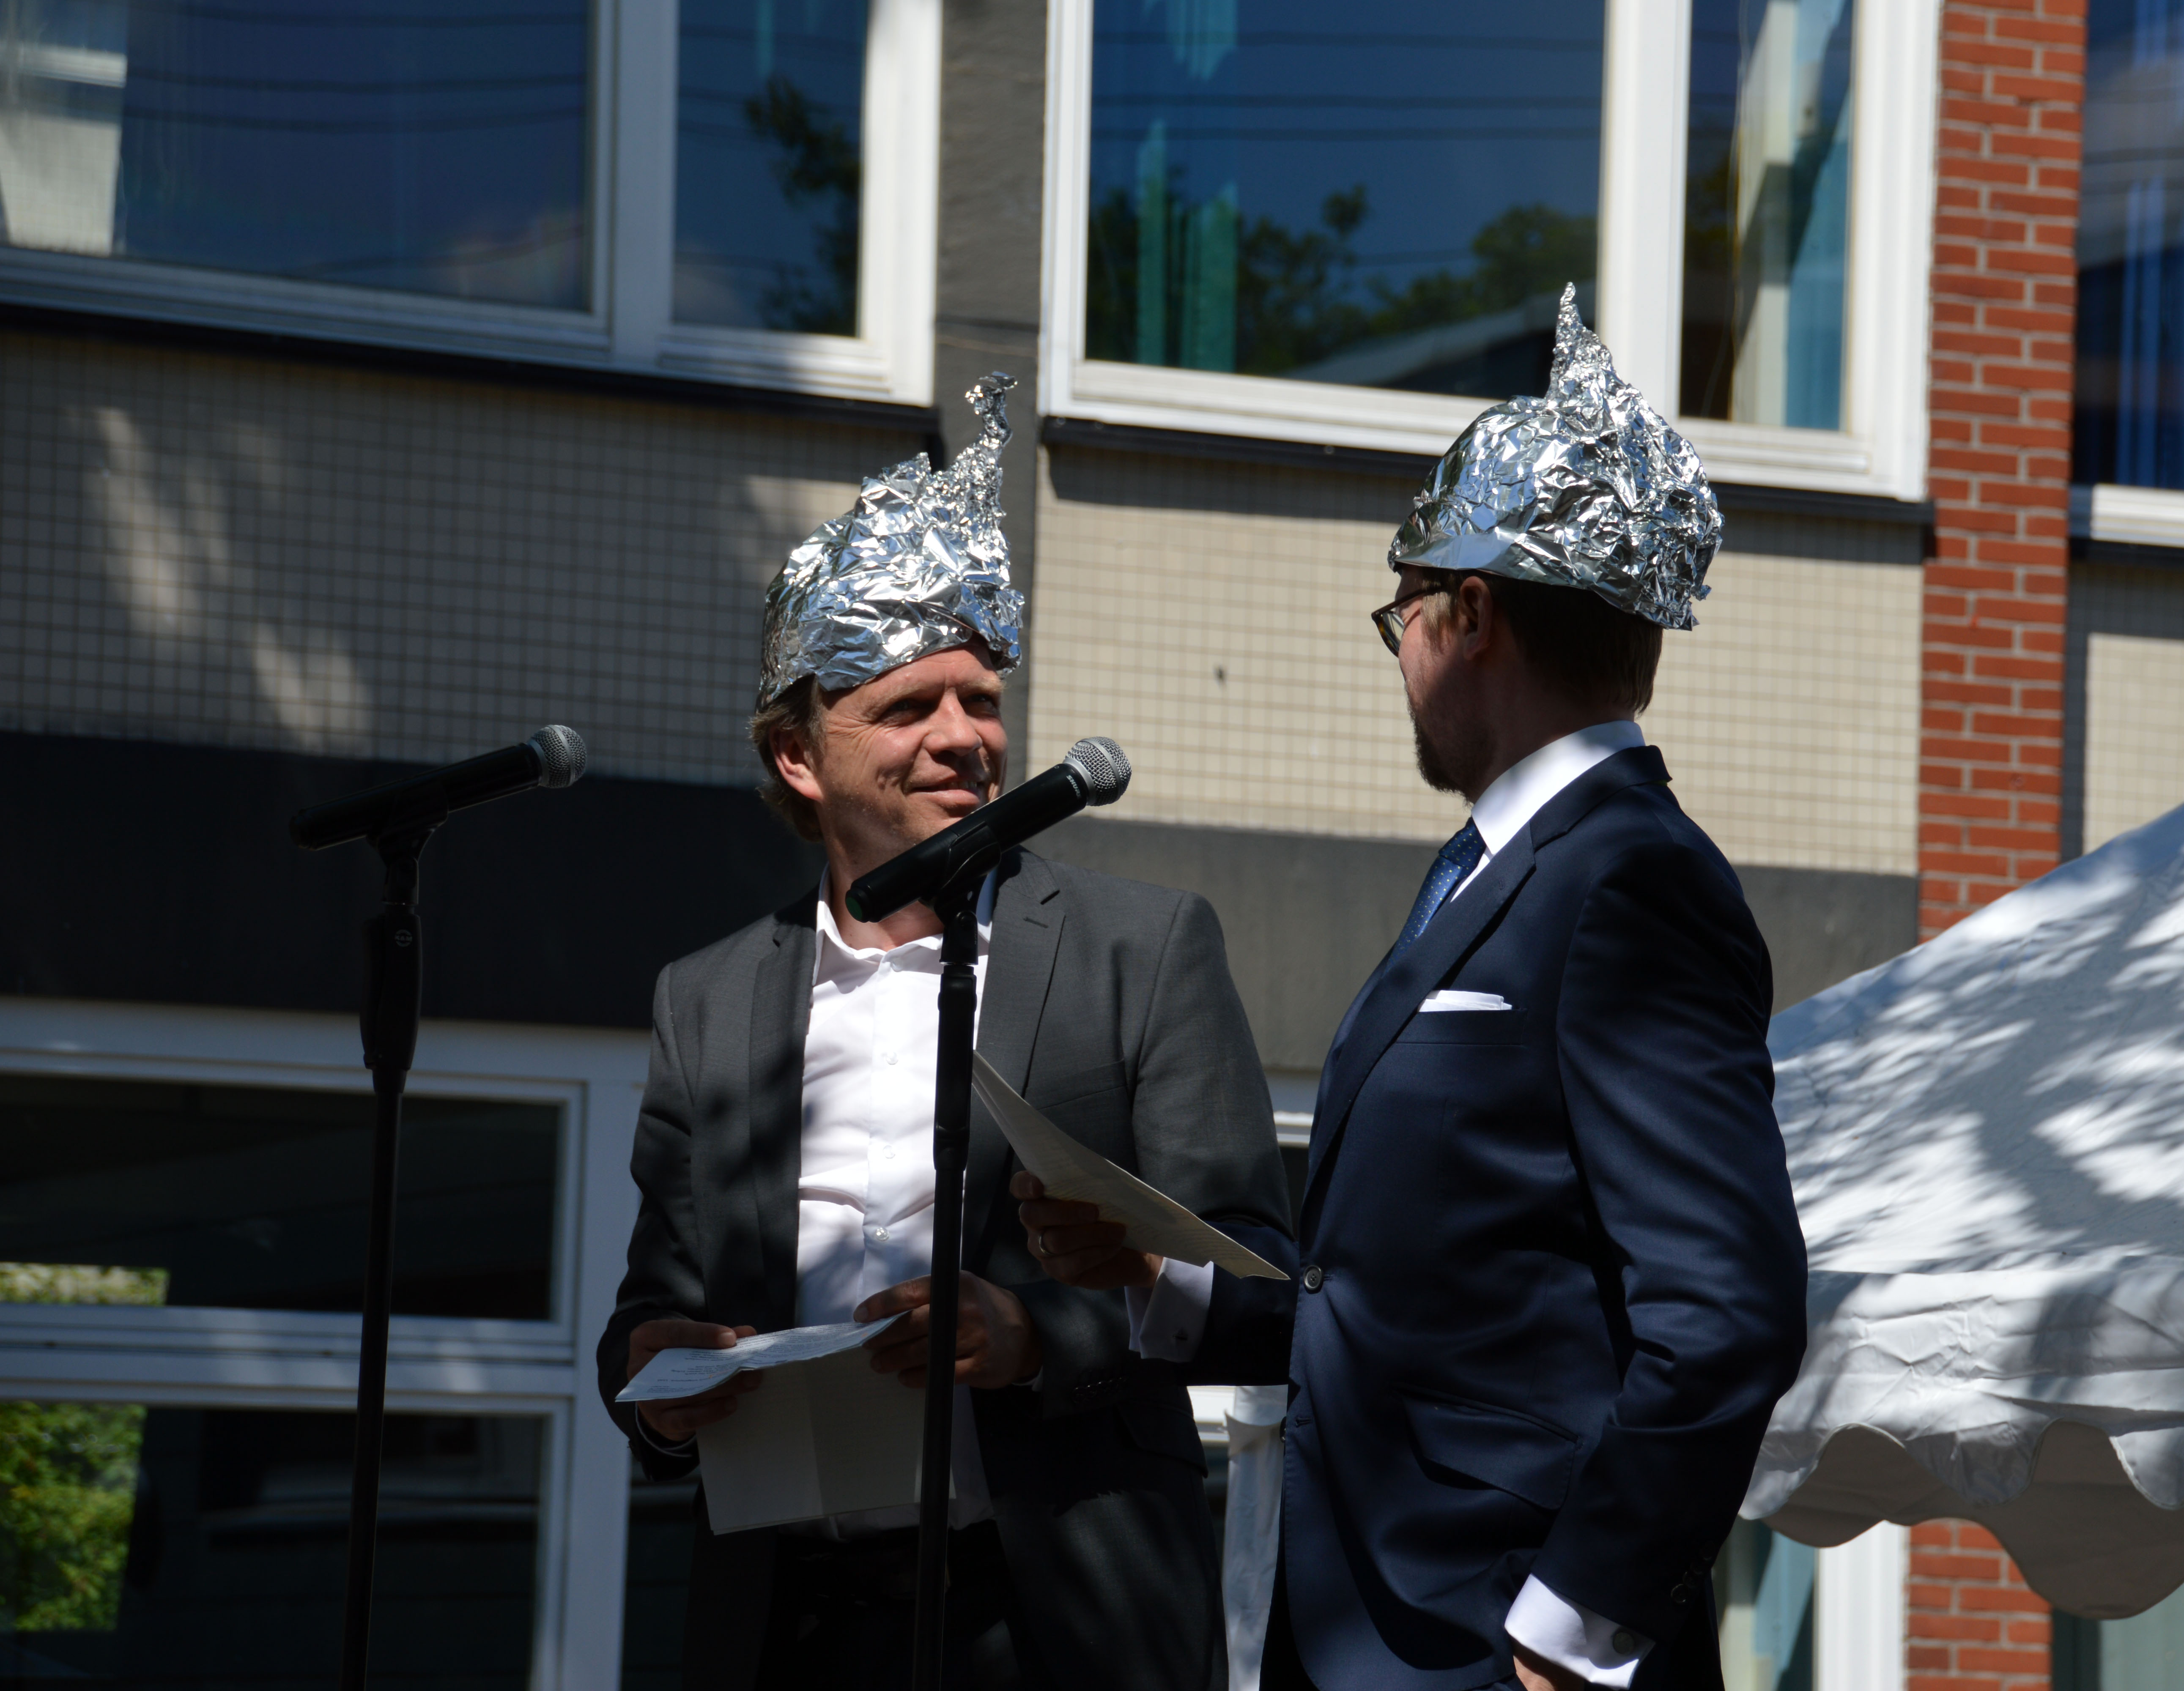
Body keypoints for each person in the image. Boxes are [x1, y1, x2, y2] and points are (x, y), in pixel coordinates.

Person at [1020, 290, 1810, 1691]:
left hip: (1490, 1641)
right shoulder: (1491, 870)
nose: (1401, 663)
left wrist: (1571, 1632)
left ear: (1471, 614)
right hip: (1369, 1632)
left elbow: (1728, 1315)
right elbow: (1418, 1300)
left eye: (1403, 620)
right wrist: (1163, 1283)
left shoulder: (1633, 882)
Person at [595, 374, 1293, 1691]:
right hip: (793, 1628)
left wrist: (1036, 1337)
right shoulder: (710, 997)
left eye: (981, 698)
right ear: (799, 757)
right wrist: (657, 1380)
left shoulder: (1140, 951)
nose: (964, 738)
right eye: (908, 708)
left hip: (1056, 1626)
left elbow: (1268, 1300)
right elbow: (655, 1307)